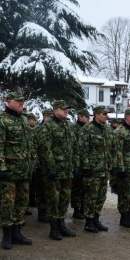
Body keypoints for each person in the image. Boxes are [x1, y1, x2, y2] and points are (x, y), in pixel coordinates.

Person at [0, 91, 35, 249]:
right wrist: (1, 167)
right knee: (8, 203)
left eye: (23, 101)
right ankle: (7, 235)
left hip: (24, 170)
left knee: (22, 202)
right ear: (8, 101)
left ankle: (17, 232)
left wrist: (32, 164)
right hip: (9, 171)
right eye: (18, 101)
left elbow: (29, 145)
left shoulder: (23, 119)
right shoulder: (1, 121)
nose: (22, 103)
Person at [37, 100, 78, 240]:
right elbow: (45, 148)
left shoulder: (68, 126)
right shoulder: (48, 127)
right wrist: (51, 166)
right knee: (53, 199)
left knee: (64, 199)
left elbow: (74, 147)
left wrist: (76, 164)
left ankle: (62, 225)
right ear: (55, 111)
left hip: (67, 169)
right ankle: (54, 228)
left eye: (67, 109)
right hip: (54, 171)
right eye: (63, 109)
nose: (66, 111)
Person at [78, 105, 112, 232]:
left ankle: (96, 219)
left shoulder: (107, 129)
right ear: (97, 115)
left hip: (104, 169)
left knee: (101, 196)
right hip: (92, 170)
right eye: (104, 114)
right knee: (90, 196)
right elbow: (82, 149)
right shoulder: (87, 129)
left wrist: (111, 164)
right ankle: (89, 221)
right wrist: (86, 166)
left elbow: (111, 148)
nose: (106, 116)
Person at [71, 108, 90, 220]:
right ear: (80, 117)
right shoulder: (74, 129)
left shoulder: (87, 129)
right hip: (77, 163)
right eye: (86, 117)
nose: (88, 119)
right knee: (76, 188)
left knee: (85, 188)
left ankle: (83, 208)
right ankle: (76, 209)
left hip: (86, 163)